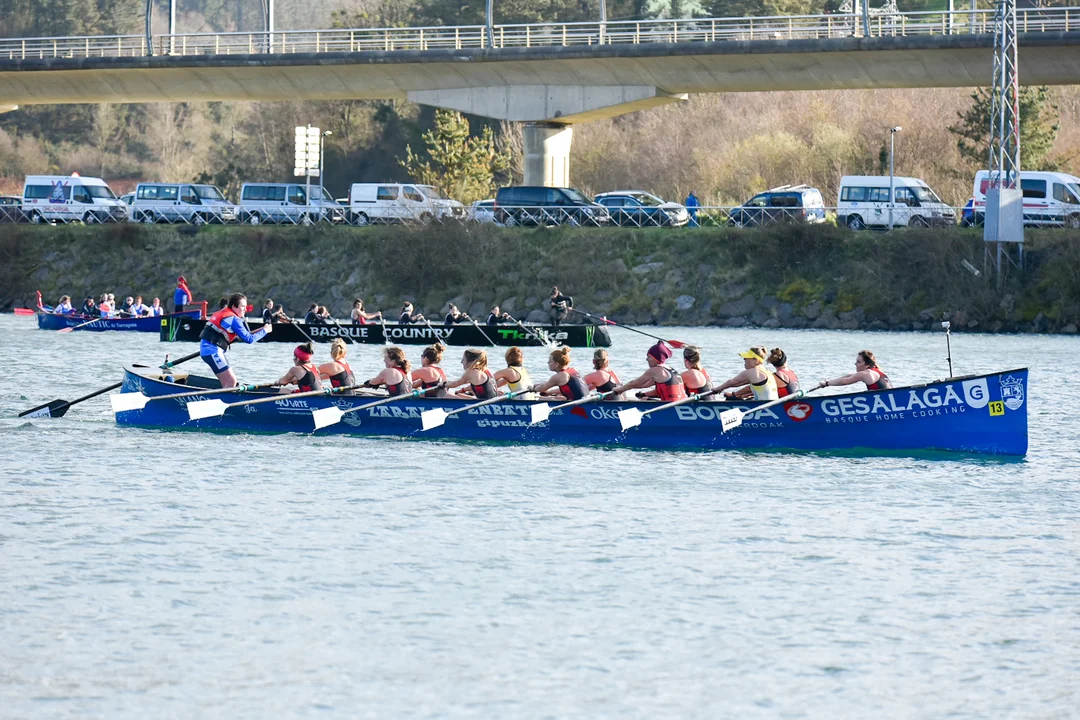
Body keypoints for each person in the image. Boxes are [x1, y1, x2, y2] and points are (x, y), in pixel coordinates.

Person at [198, 292, 273, 388]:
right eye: (243, 306)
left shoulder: (224, 313)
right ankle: (223, 397)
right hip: (213, 351)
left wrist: (262, 329)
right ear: (234, 306)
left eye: (246, 306)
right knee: (231, 382)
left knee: (227, 383)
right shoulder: (234, 319)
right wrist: (265, 330)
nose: (245, 309)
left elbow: (243, 335)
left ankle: (224, 395)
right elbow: (249, 339)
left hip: (207, 350)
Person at [609, 341, 687, 402]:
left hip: (670, 404)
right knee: (645, 397)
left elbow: (634, 383)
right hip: (681, 402)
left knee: (643, 400)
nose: (646, 359)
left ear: (656, 359)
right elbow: (644, 385)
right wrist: (625, 388)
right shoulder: (669, 369)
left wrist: (619, 390)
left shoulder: (655, 370)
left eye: (649, 357)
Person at [714, 347, 778, 401]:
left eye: (746, 358)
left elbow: (731, 382)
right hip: (772, 404)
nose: (744, 359)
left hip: (763, 406)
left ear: (755, 360)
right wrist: (722, 388)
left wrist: (716, 389)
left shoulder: (753, 371)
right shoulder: (766, 371)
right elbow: (738, 384)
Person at [823, 350, 892, 391]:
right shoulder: (878, 370)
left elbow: (843, 381)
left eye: (858, 362)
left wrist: (827, 384)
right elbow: (849, 376)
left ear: (867, 364)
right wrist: (829, 381)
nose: (855, 364)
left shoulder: (865, 373)